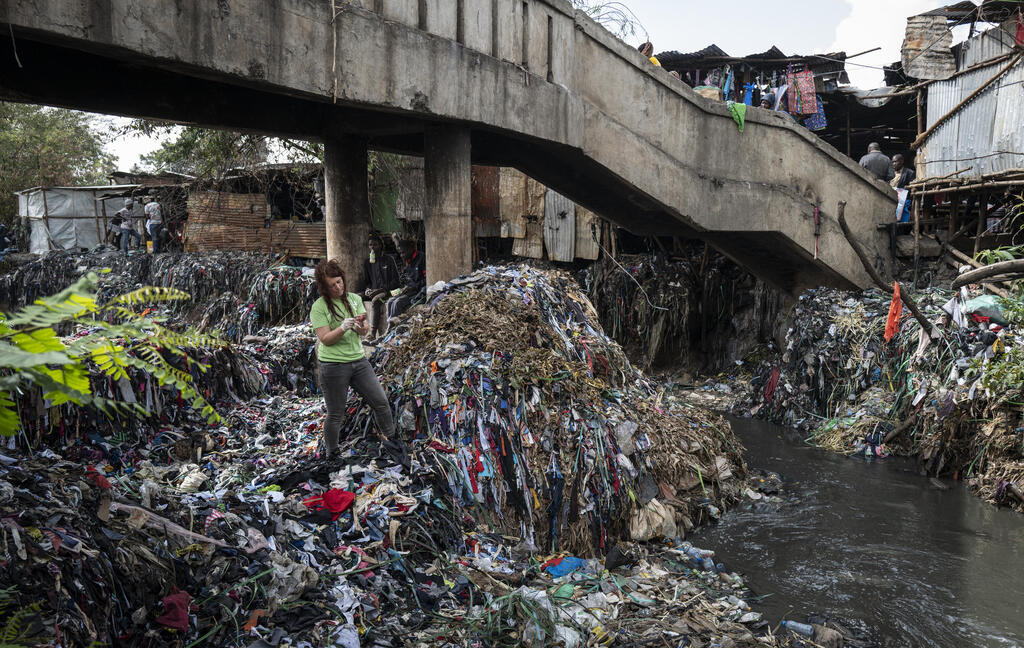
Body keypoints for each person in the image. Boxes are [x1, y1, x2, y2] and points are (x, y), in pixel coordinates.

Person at [310, 259, 397, 460]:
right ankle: (332, 454)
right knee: (336, 414)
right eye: (332, 285)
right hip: (333, 366)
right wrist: (341, 328)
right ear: (324, 287)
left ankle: (393, 442)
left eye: (339, 282)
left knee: (381, 402)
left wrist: (361, 327)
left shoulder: (354, 299)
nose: (337, 288)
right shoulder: (319, 307)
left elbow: (365, 327)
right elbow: (325, 339)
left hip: (358, 362)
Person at [363, 233, 401, 338]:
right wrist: (368, 289)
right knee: (356, 296)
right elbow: (368, 282)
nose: (372, 247)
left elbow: (396, 282)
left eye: (375, 245)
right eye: (370, 245)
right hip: (376, 292)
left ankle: (372, 333)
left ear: (380, 245)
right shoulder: (368, 263)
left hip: (393, 291)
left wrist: (381, 290)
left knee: (376, 300)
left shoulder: (389, 260)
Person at [386, 240, 426, 322]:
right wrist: (404, 288)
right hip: (410, 290)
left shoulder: (421, 258)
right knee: (390, 301)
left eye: (403, 252)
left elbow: (427, 279)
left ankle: (393, 326)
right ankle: (390, 324)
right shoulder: (408, 261)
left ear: (410, 249)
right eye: (400, 253)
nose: (401, 255)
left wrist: (414, 286)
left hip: (418, 291)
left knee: (397, 302)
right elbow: (409, 280)